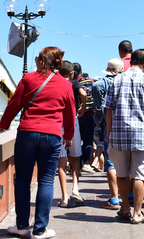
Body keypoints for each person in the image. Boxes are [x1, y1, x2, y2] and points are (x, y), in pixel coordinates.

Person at [0, 46, 74, 239]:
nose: (36, 60)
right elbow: (70, 113)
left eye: (38, 58)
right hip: (51, 135)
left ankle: (23, 225)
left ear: (43, 60)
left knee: (23, 180)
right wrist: (68, 135)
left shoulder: (28, 78)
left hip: (27, 133)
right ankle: (40, 230)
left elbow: (14, 104)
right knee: (46, 181)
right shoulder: (65, 84)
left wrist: (2, 126)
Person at [105, 49, 144, 225]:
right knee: (140, 175)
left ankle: (125, 209)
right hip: (141, 134)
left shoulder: (116, 80)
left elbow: (108, 110)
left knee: (122, 174)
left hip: (117, 133)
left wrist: (109, 132)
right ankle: (137, 214)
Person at [92, 58, 124, 210]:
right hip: (126, 124)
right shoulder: (125, 81)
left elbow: (96, 85)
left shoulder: (103, 83)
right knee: (127, 160)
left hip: (108, 123)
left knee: (110, 160)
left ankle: (115, 198)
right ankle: (128, 195)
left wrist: (100, 108)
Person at [56, 61, 86, 208]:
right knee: (75, 158)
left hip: (59, 123)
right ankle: (75, 189)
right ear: (72, 73)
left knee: (61, 162)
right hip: (73, 121)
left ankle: (64, 197)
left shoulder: (56, 83)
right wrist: (82, 108)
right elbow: (84, 93)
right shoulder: (74, 83)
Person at [75, 66, 96, 172]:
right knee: (88, 140)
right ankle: (86, 163)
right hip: (89, 114)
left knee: (75, 140)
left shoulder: (73, 82)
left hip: (75, 116)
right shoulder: (91, 81)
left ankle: (75, 164)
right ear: (81, 71)